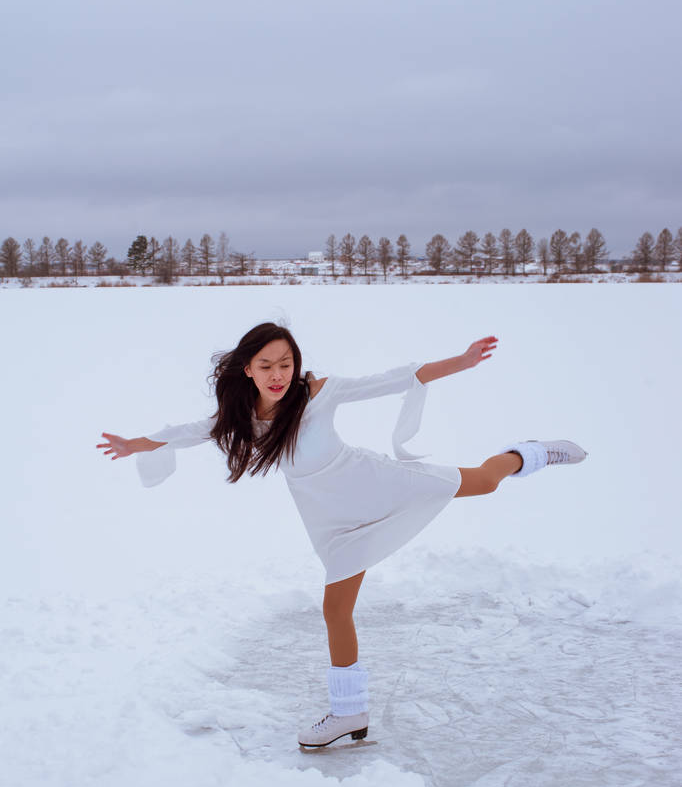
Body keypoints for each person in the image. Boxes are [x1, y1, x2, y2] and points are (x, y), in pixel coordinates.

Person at [96, 321, 587, 748]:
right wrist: (135, 444)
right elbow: (189, 431)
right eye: (266, 365)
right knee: (335, 609)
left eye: (285, 363)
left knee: (483, 483)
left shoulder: (318, 393)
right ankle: (350, 712)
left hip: (376, 485)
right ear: (247, 369)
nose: (278, 374)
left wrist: (461, 361)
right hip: (332, 521)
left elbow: (398, 378)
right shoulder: (243, 418)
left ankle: (531, 453)